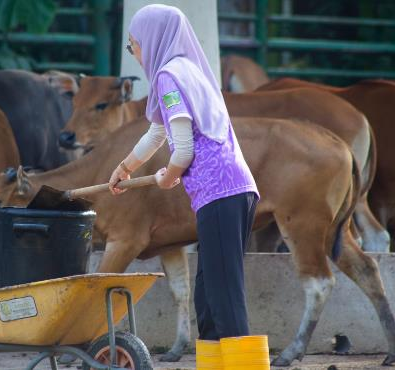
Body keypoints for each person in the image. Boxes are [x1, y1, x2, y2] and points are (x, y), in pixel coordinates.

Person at [108, 3, 261, 351]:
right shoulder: (188, 70)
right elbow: (157, 133)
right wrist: (125, 167)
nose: (133, 52)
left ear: (153, 38)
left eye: (134, 43)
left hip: (221, 194)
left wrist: (167, 177)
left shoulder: (168, 77)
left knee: (224, 300)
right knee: (208, 297)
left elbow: (183, 152)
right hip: (233, 192)